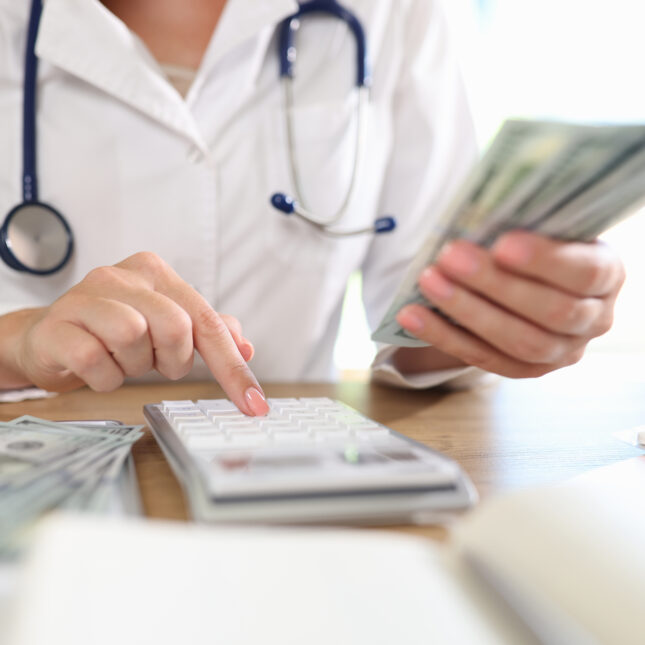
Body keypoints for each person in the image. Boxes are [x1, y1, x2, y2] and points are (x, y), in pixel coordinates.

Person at [0, 0, 625, 417]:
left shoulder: (391, 11)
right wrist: (19, 342)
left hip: (283, 461)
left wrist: (502, 314)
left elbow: (417, 319)